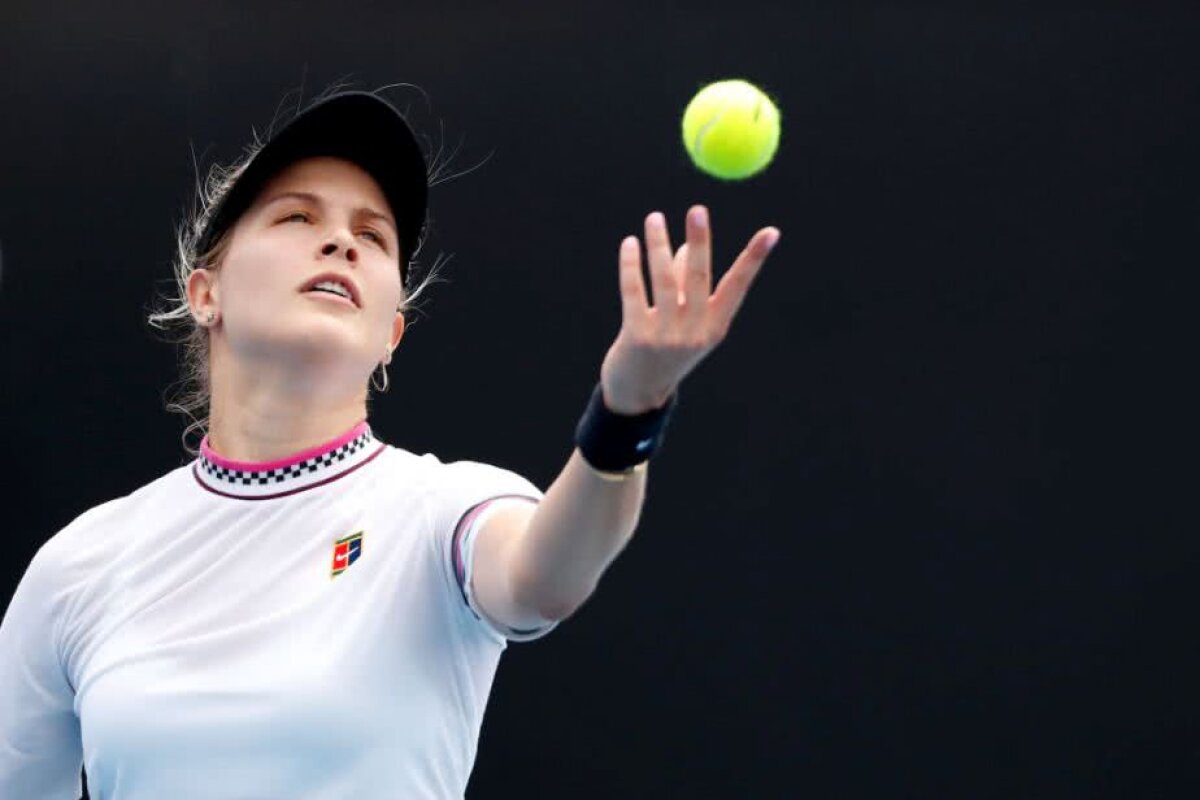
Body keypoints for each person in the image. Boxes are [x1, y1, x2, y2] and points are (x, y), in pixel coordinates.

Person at [0, 88, 780, 799]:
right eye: (297, 216)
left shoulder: (442, 511)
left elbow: (546, 575)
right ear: (206, 293)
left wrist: (630, 407)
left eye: (371, 236)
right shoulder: (79, 567)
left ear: (391, 336)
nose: (341, 243)